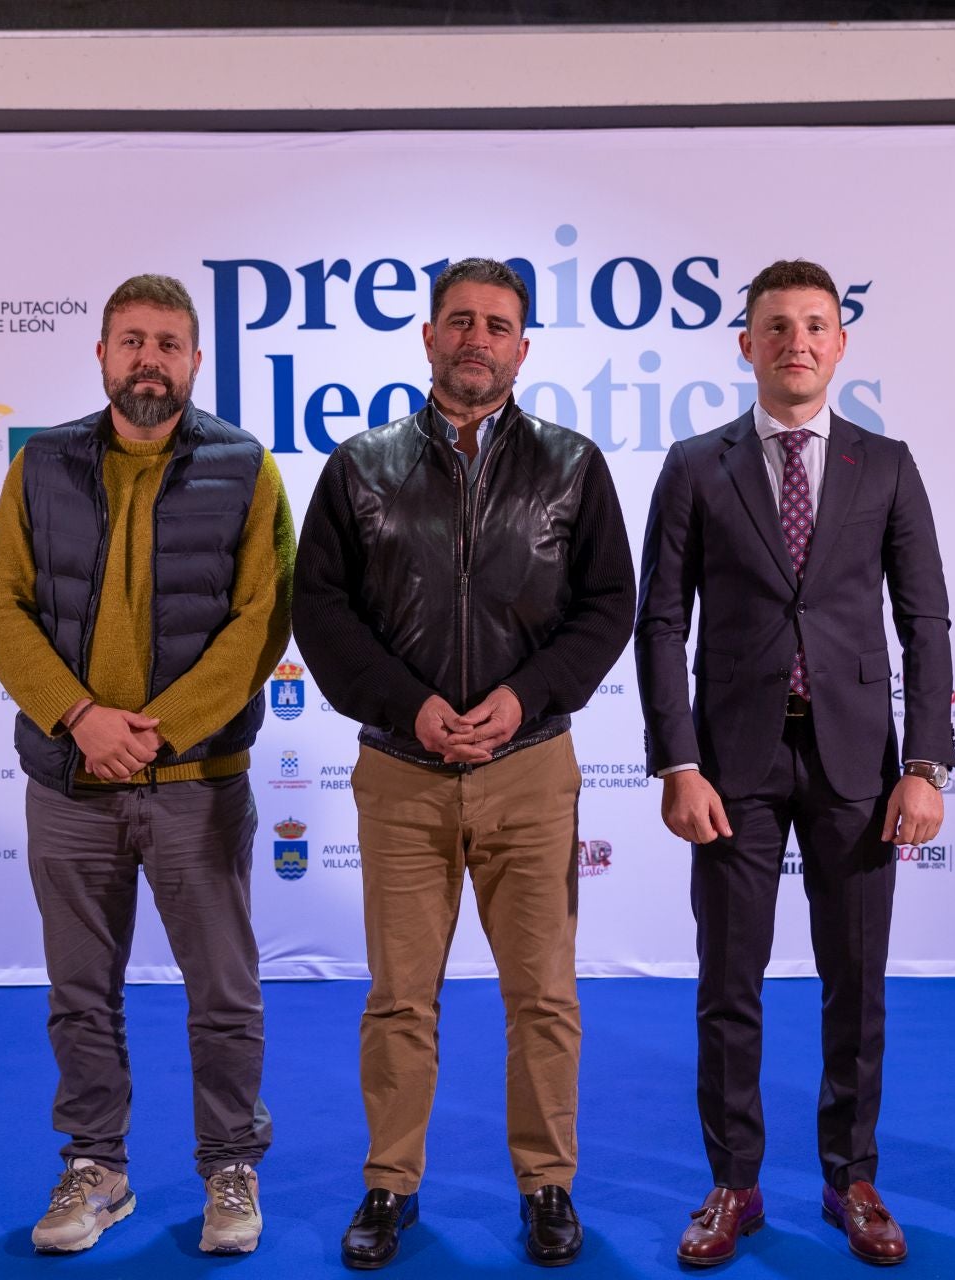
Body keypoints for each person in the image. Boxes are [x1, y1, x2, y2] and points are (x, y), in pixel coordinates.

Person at [294, 257, 634, 1269]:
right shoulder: (360, 465)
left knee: (543, 994)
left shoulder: (573, 465)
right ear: (429, 337)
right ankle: (390, 1183)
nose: (476, 338)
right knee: (401, 995)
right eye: (459, 321)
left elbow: (608, 604)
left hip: (531, 764)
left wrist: (522, 695)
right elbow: (320, 609)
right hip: (401, 766)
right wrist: (415, 705)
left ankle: (549, 1184)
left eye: (497, 324)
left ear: (522, 347)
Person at [634, 258, 955, 1268]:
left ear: (841, 343)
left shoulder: (888, 464)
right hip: (732, 761)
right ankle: (733, 1182)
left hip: (861, 759)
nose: (797, 342)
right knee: (728, 980)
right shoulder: (694, 464)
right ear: (747, 345)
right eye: (776, 326)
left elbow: (927, 619)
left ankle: (851, 1175)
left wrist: (930, 763)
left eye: (815, 325)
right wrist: (675, 761)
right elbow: (658, 623)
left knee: (855, 982)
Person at [0, 273, 293, 1256]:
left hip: (194, 782)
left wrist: (153, 730)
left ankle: (230, 1164)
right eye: (131, 340)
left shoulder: (247, 467)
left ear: (196, 361)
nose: (148, 358)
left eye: (168, 342)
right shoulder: (40, 467)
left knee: (223, 989)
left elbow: (263, 618)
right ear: (103, 354)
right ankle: (97, 1165)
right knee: (79, 988)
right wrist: (80, 717)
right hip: (71, 780)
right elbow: (2, 609)